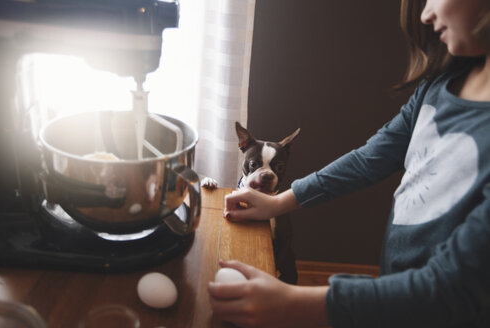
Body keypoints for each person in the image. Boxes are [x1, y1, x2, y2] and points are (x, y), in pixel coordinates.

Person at [207, 0, 490, 327]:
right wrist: (278, 203)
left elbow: (451, 288)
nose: (425, 15)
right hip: (389, 299)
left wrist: (292, 302)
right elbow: (368, 159)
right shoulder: (435, 88)